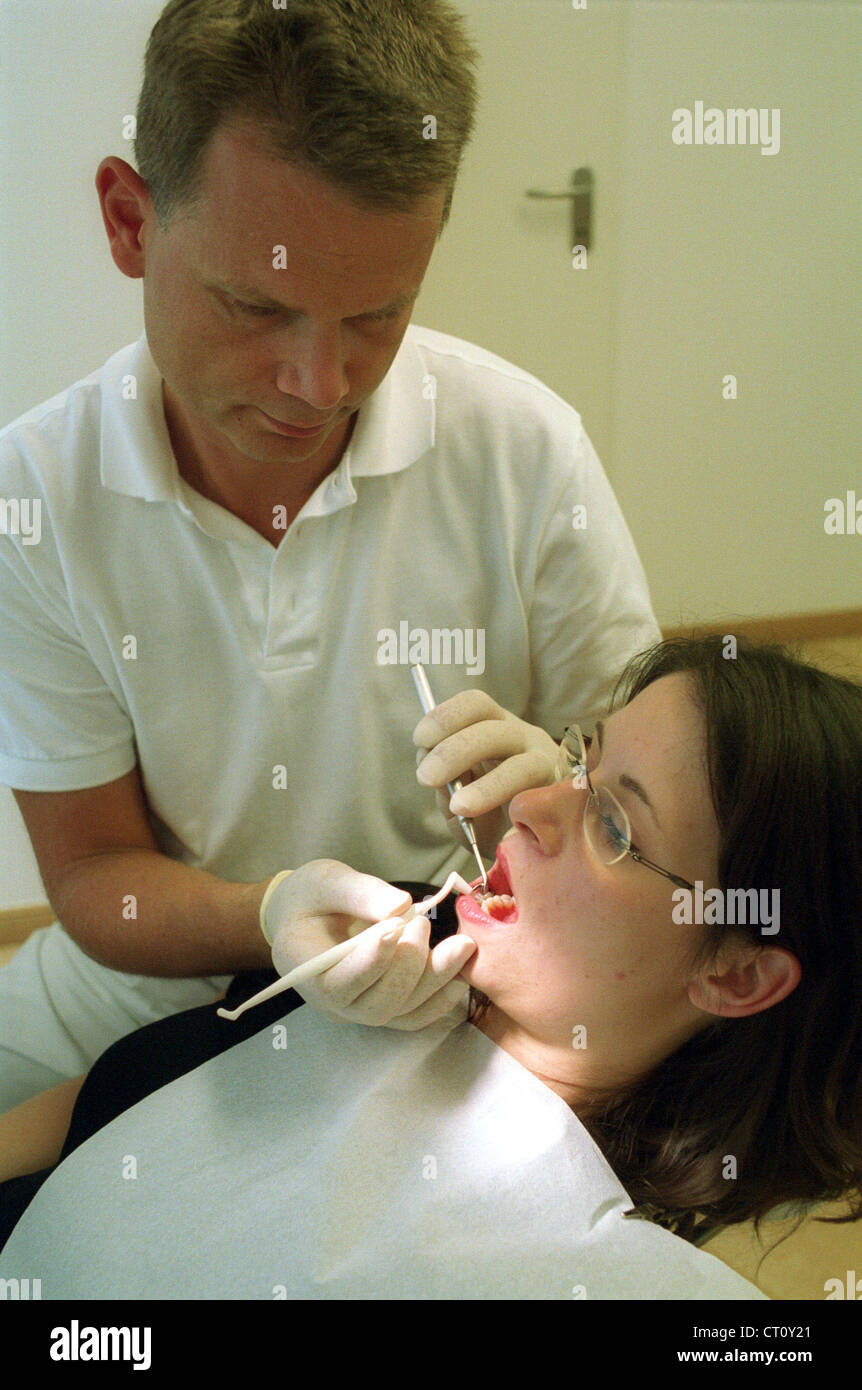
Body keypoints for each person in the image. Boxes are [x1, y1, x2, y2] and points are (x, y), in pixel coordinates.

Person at [0, 0, 660, 1114]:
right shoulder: (36, 496)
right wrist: (271, 915)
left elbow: (669, 828)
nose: (322, 382)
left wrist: (567, 798)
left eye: (377, 314)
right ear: (128, 220)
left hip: (461, 1007)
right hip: (134, 994)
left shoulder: (522, 449)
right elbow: (95, 878)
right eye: (256, 305)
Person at [1, 635, 859, 1260]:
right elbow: (91, 1108)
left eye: (611, 823)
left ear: (737, 973)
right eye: (578, 756)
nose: (529, 806)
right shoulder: (379, 948)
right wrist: (267, 914)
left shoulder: (582, 1263)